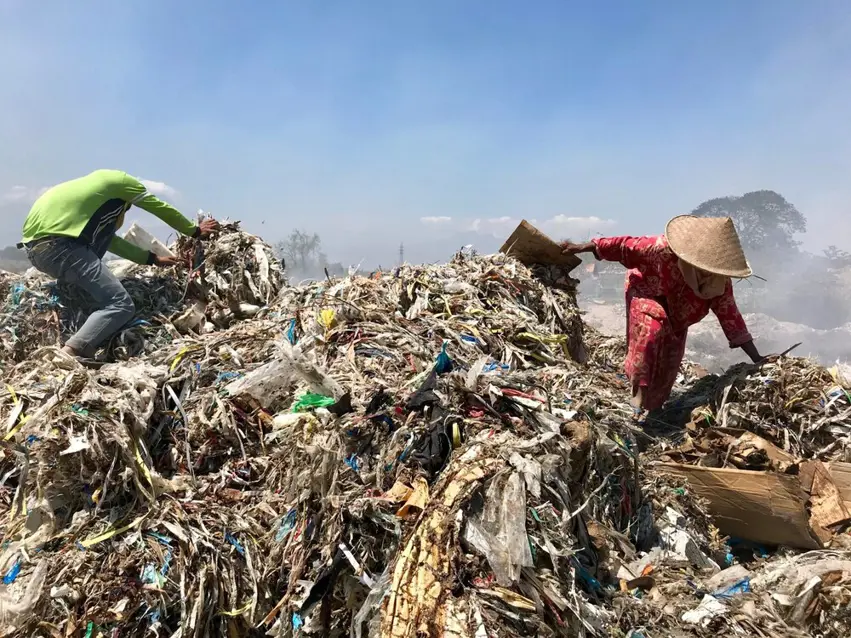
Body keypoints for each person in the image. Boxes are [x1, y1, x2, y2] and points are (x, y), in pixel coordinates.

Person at [561, 215, 763, 421]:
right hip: (646, 292)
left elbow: (732, 319)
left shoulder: (718, 285)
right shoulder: (660, 248)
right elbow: (623, 245)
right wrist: (581, 247)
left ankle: (654, 406)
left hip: (679, 315)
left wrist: (757, 359)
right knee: (652, 331)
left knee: (670, 358)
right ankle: (638, 395)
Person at [19, 169, 219, 360]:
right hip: (63, 248)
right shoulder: (122, 183)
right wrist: (194, 231)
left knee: (93, 294)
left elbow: (110, 241)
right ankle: (72, 351)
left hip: (38, 253)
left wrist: (152, 259)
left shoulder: (89, 193)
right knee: (120, 304)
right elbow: (158, 207)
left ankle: (85, 324)